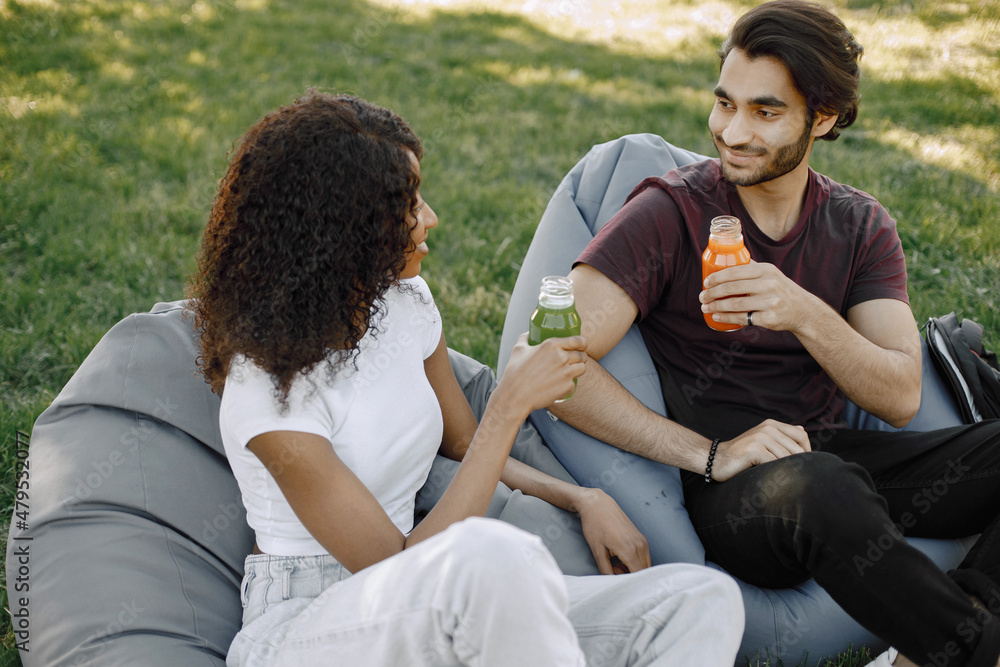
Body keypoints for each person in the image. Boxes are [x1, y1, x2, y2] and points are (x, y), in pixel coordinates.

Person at [187, 89, 744, 666]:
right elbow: (401, 570)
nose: (430, 218)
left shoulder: (405, 306)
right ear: (338, 231)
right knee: (489, 556)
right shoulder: (270, 393)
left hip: (449, 597)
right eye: (406, 205)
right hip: (306, 627)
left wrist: (584, 497)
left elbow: (463, 446)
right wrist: (508, 406)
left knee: (698, 597)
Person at [548, 2, 1000, 666]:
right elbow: (549, 363)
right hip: (738, 492)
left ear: (822, 118)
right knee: (821, 487)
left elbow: (901, 395)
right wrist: (711, 454)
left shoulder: (859, 224)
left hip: (836, 459)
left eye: (764, 112)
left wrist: (803, 309)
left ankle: (946, 627)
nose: (730, 131)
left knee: (836, 476)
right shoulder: (668, 212)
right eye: (724, 103)